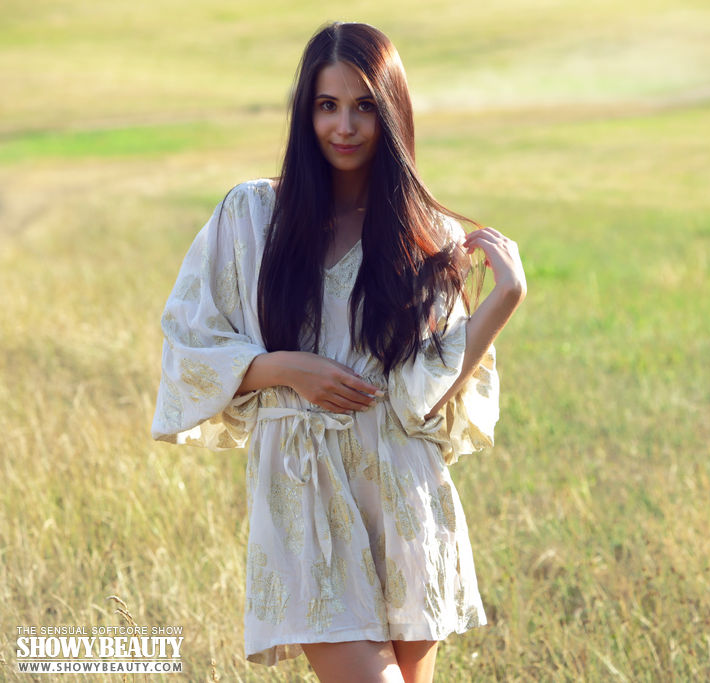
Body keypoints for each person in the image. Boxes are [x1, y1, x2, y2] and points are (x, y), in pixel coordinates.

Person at [151, 21, 526, 682]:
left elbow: (419, 396)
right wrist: (282, 368)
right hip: (303, 493)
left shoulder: (425, 234)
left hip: (405, 496)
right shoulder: (251, 215)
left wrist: (505, 298)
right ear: (306, 112)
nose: (344, 126)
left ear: (393, 113)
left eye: (364, 107)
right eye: (328, 105)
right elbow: (189, 344)